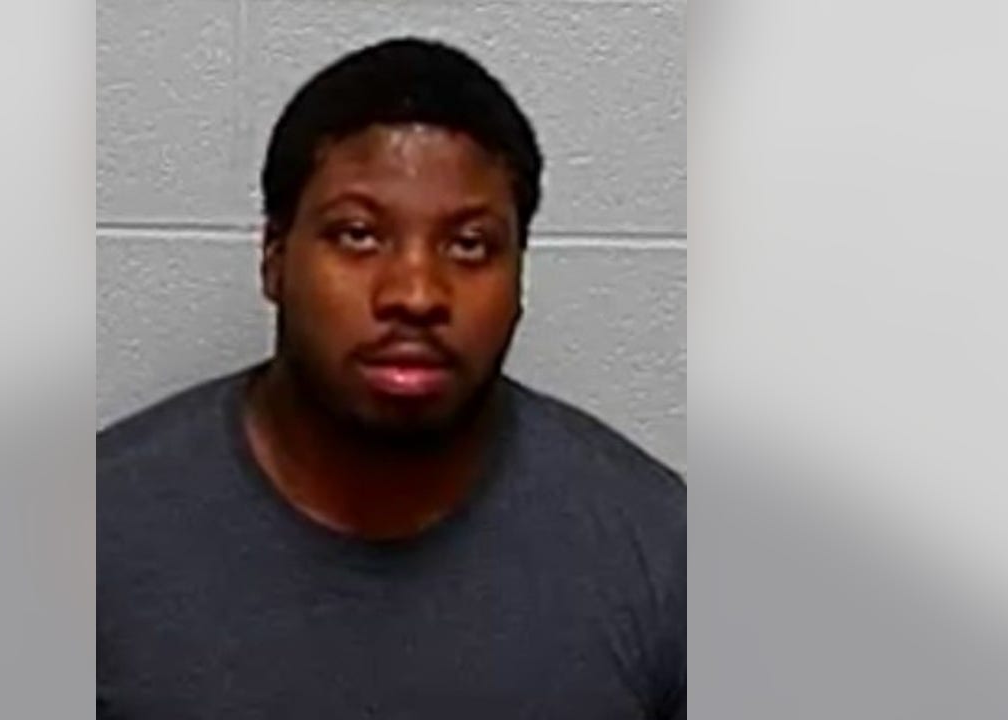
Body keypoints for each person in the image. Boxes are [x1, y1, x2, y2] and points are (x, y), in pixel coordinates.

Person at [98, 37, 685, 719]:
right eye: (358, 235)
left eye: (469, 244)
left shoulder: (661, 553)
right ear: (274, 258)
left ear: (520, 275)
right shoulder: (88, 539)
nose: (415, 294)